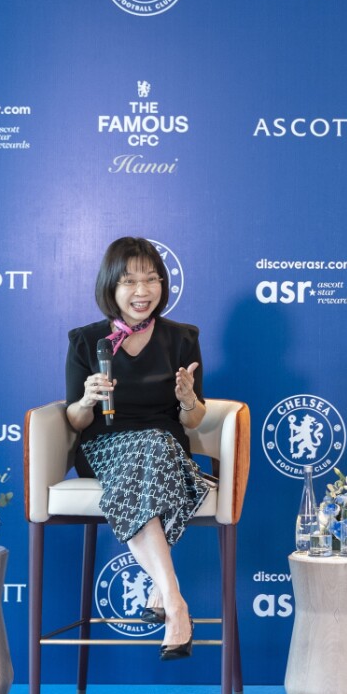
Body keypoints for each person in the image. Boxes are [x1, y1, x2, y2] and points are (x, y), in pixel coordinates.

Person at [65, 237, 206, 660]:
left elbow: (193, 421)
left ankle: (166, 597)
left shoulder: (182, 338)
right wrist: (87, 399)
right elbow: (75, 421)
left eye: (151, 279)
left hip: (165, 450)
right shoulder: (87, 341)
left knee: (156, 444)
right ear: (111, 286)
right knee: (148, 451)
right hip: (104, 450)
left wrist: (188, 398)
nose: (142, 291)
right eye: (129, 281)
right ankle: (175, 602)